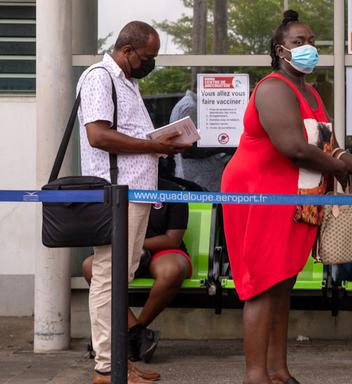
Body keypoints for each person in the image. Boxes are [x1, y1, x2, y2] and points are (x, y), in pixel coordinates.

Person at [220, 11, 352, 384]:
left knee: (283, 281)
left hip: (296, 195)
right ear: (280, 50)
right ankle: (256, 375)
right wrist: (341, 169)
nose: (309, 48)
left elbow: (329, 145)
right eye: (298, 42)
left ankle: (278, 370)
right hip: (260, 193)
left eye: (312, 42)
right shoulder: (274, 87)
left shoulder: (310, 92)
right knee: (262, 284)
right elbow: (293, 147)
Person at [78, 20, 192, 384]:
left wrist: (161, 143)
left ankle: (117, 363)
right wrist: (152, 146)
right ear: (127, 51)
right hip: (116, 193)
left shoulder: (126, 81)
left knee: (118, 278)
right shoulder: (101, 77)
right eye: (148, 56)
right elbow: (98, 135)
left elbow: (124, 132)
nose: (150, 63)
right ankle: (107, 367)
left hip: (134, 193)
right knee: (108, 279)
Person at [81, 161, 192, 364]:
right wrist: (129, 244)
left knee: (172, 271)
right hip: (126, 249)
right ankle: (138, 335)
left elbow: (172, 239)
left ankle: (131, 334)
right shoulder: (117, 190)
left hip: (162, 251)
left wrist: (135, 242)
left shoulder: (172, 190)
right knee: (90, 266)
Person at [168, 70, 233, 192]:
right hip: (198, 180)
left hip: (197, 178)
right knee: (200, 212)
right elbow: (187, 150)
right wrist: (226, 147)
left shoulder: (187, 104)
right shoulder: (192, 108)